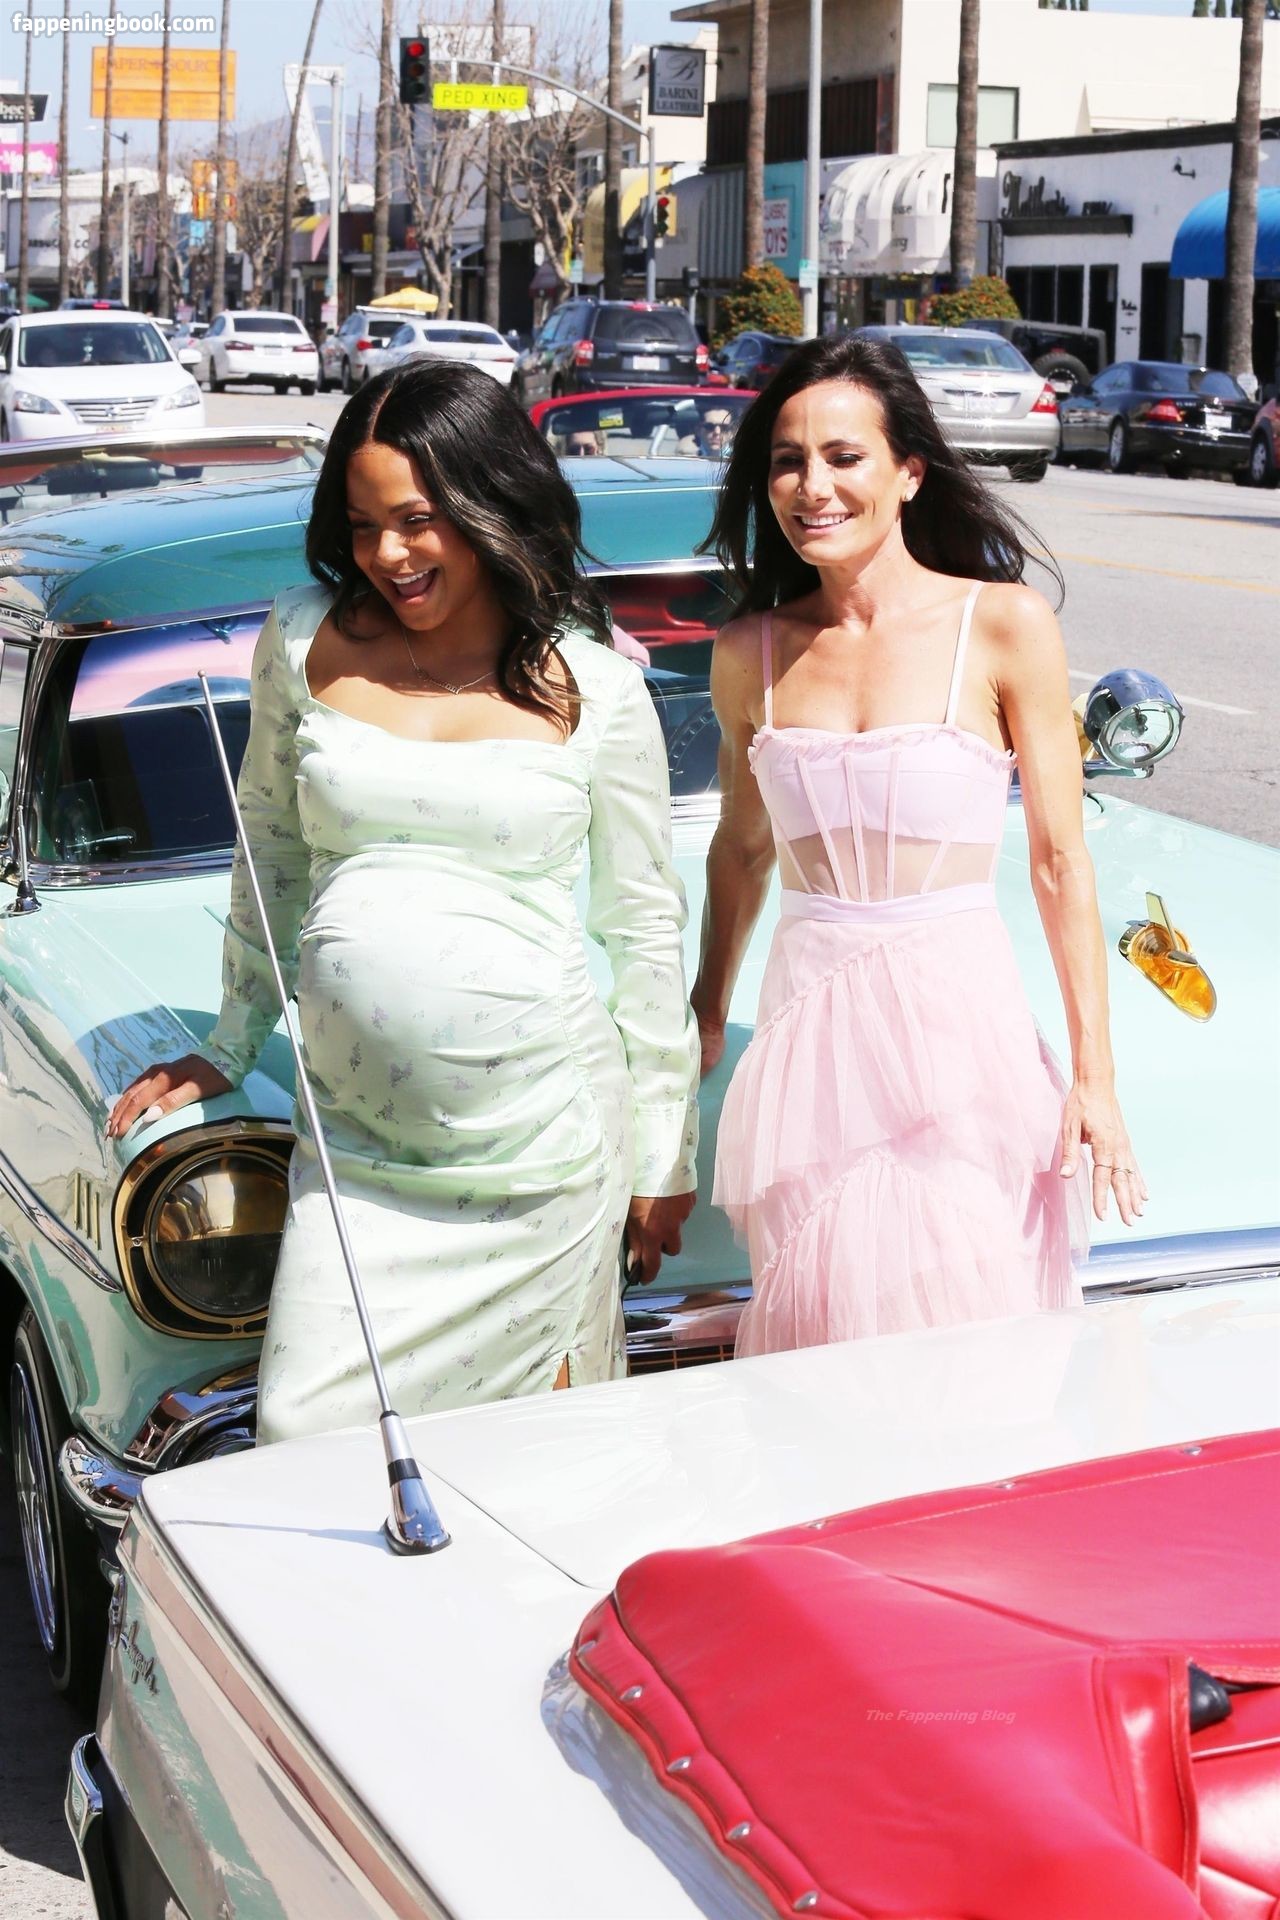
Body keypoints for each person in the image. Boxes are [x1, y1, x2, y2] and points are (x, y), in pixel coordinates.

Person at [108, 360, 699, 1441]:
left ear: (489, 503)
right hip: (356, 1160)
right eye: (363, 525)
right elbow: (269, 847)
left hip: (546, 1157)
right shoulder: (302, 639)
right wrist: (232, 1037)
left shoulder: (600, 688)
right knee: (304, 1437)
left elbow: (642, 926)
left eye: (418, 521)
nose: (387, 555)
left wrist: (665, 1148)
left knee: (529, 1465)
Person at [693, 334, 1143, 1358]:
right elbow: (741, 848)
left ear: (908, 472)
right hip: (809, 1044)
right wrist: (707, 1008)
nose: (813, 486)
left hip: (958, 1039)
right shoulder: (748, 652)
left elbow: (1059, 862)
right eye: (787, 461)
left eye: (843, 456)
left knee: (970, 1330)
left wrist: (1094, 1079)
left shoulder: (1001, 624)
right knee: (821, 1326)